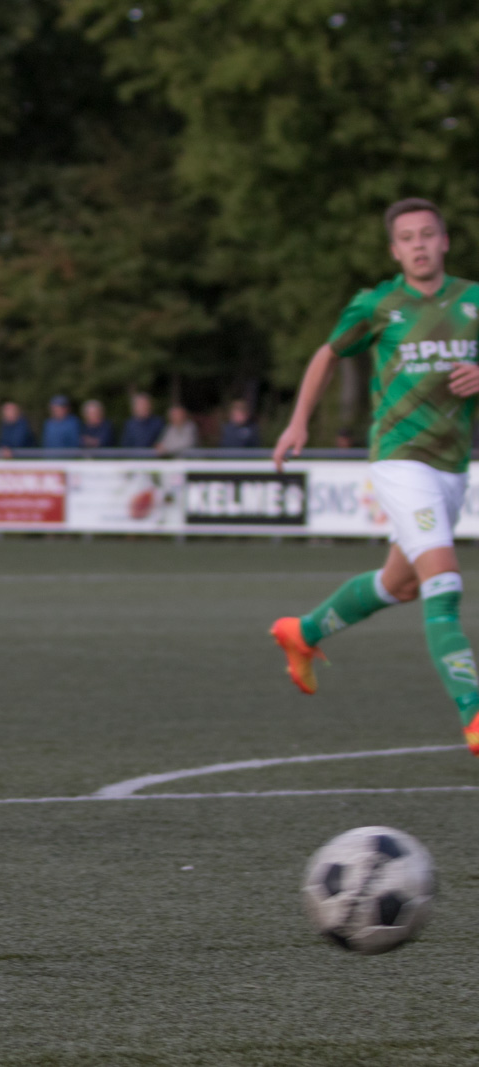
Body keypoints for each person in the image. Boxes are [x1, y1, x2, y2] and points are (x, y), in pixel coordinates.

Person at [271, 197, 479, 755]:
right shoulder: (378, 304)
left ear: (445, 241)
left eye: (427, 234)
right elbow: (327, 354)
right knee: (443, 584)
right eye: (407, 238)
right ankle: (475, 714)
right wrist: (299, 421)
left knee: (400, 584)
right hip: (399, 458)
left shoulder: (474, 300)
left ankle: (302, 632)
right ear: (394, 250)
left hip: (451, 468)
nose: (418, 245)